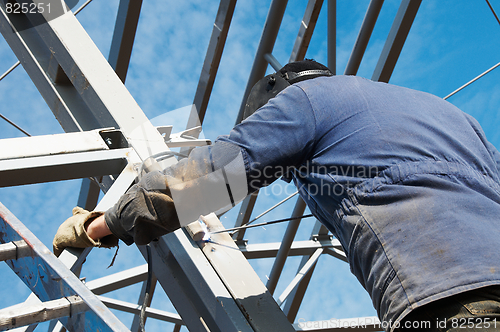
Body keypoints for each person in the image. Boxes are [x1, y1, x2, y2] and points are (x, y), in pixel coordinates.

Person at [53, 60, 500, 331]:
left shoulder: (307, 101)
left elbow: (206, 179)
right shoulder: (450, 115)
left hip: (448, 299)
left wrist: (105, 223)